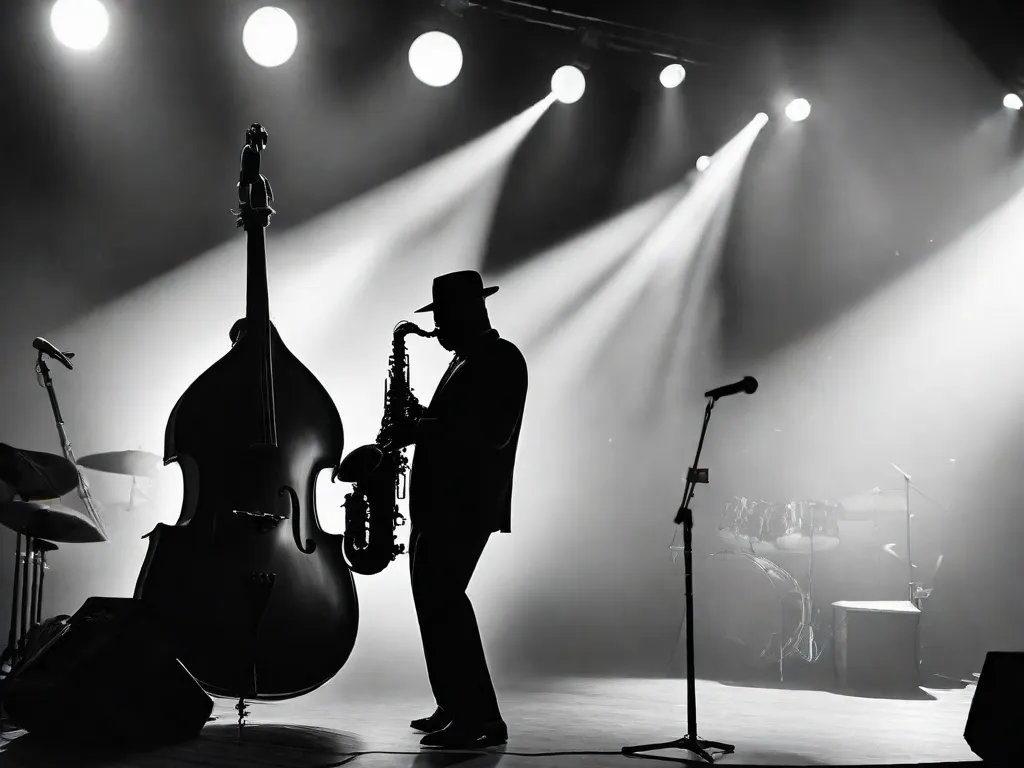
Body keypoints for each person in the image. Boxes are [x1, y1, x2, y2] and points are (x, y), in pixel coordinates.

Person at [383, 270, 528, 749]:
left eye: (443, 317)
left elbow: (491, 434)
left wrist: (420, 428)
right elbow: (454, 421)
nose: (438, 328)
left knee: (446, 601)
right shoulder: (463, 360)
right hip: (437, 502)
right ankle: (452, 704)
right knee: (433, 603)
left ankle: (482, 719)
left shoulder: (502, 358)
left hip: (466, 504)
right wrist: (419, 415)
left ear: (468, 311)